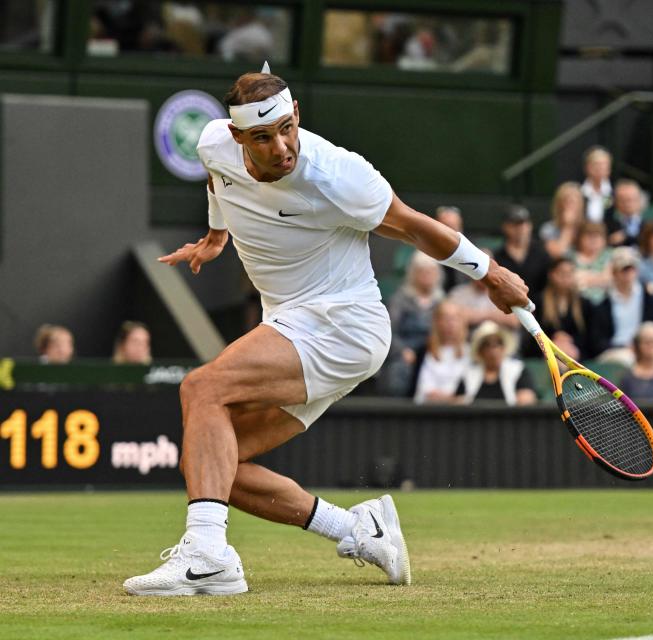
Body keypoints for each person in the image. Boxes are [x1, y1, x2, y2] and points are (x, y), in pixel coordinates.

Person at [126, 68, 529, 595]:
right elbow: (217, 180)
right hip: (292, 322)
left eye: (288, 128)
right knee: (216, 463)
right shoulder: (213, 144)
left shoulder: (339, 175)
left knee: (201, 388)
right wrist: (215, 235)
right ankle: (359, 530)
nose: (282, 147)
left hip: (344, 324)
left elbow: (410, 224)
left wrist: (491, 274)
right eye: (264, 138)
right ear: (236, 136)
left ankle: (208, 555)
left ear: (298, 118)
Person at [381, 250, 444, 397]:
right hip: (405, 350)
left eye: (431, 271)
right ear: (413, 274)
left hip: (432, 349)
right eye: (422, 271)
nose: (427, 275)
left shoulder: (441, 300)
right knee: (399, 367)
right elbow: (389, 331)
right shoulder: (400, 300)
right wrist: (402, 350)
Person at [587, 247, 653, 365]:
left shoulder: (649, 299)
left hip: (647, 346)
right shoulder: (602, 305)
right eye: (624, 269)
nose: (629, 273)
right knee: (627, 360)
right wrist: (622, 346)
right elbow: (597, 341)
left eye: (632, 268)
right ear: (614, 273)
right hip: (615, 350)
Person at [454, 321, 537, 406]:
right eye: (487, 345)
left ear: (503, 347)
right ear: (480, 350)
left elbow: (527, 399)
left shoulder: (518, 370)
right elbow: (458, 403)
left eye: (498, 343)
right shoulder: (468, 374)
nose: (493, 350)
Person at [527, 257, 590, 359]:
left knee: (566, 352)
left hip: (575, 351)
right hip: (545, 350)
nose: (565, 278)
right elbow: (532, 334)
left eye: (570, 273)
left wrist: (570, 339)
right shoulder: (539, 302)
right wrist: (553, 340)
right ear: (551, 275)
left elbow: (589, 337)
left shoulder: (584, 304)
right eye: (561, 273)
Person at [413, 301, 470, 404]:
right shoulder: (424, 352)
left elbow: (469, 393)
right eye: (445, 318)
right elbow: (422, 391)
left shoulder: (471, 353)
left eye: (455, 318)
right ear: (436, 321)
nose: (450, 323)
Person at [493, 204, 551, 297]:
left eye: (524, 223)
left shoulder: (541, 253)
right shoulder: (498, 256)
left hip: (538, 307)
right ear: (505, 227)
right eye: (515, 224)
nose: (521, 228)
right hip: (507, 307)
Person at [571, 221, 613, 304]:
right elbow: (572, 280)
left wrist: (584, 278)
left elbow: (610, 280)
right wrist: (599, 278)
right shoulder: (571, 256)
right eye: (589, 236)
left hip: (604, 304)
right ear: (580, 238)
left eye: (598, 236)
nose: (593, 240)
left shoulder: (610, 255)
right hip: (577, 303)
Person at [540, 181, 585, 259]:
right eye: (566, 200)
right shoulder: (548, 228)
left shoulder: (588, 227)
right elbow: (557, 254)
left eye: (574, 201)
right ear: (559, 205)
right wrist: (567, 227)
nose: (570, 205)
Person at [434, 205, 468, 292]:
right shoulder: (425, 252)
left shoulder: (471, 252)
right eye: (445, 226)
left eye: (453, 227)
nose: (449, 232)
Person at [605, 179, 648, 247]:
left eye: (631, 199)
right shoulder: (607, 226)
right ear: (616, 202)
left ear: (640, 200)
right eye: (622, 200)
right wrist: (609, 241)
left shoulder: (648, 227)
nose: (627, 204)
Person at [581, 146, 613, 223]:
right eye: (596, 164)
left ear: (609, 169)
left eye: (603, 164)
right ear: (587, 167)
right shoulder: (578, 192)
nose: (600, 168)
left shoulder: (614, 192)